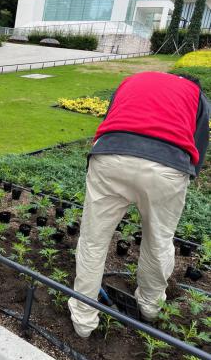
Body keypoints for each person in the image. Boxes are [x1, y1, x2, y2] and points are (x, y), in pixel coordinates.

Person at [68, 71, 210, 338]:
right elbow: (199, 148)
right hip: (165, 168)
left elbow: (112, 119)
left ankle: (83, 321)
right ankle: (149, 309)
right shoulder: (197, 96)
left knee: (93, 241)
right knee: (157, 242)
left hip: (109, 157)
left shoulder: (133, 80)